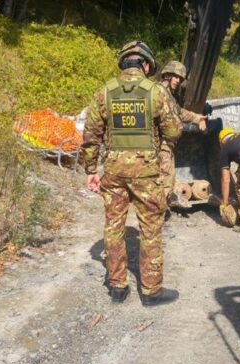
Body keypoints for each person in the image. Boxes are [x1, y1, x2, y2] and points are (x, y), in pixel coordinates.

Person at [81, 41, 183, 306]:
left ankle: (117, 287)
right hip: (146, 172)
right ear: (146, 65)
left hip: (113, 171)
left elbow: (91, 135)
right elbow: (174, 131)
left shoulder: (104, 92)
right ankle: (151, 292)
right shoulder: (156, 92)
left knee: (113, 227)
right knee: (150, 229)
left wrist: (91, 170)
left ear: (124, 63)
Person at [157, 60, 207, 209]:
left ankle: (160, 214)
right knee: (164, 182)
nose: (178, 81)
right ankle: (158, 216)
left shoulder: (168, 95)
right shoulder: (158, 93)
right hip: (160, 145)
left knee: (168, 181)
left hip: (167, 146)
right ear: (167, 75)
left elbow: (179, 112)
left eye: (180, 78)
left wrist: (197, 118)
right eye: (176, 77)